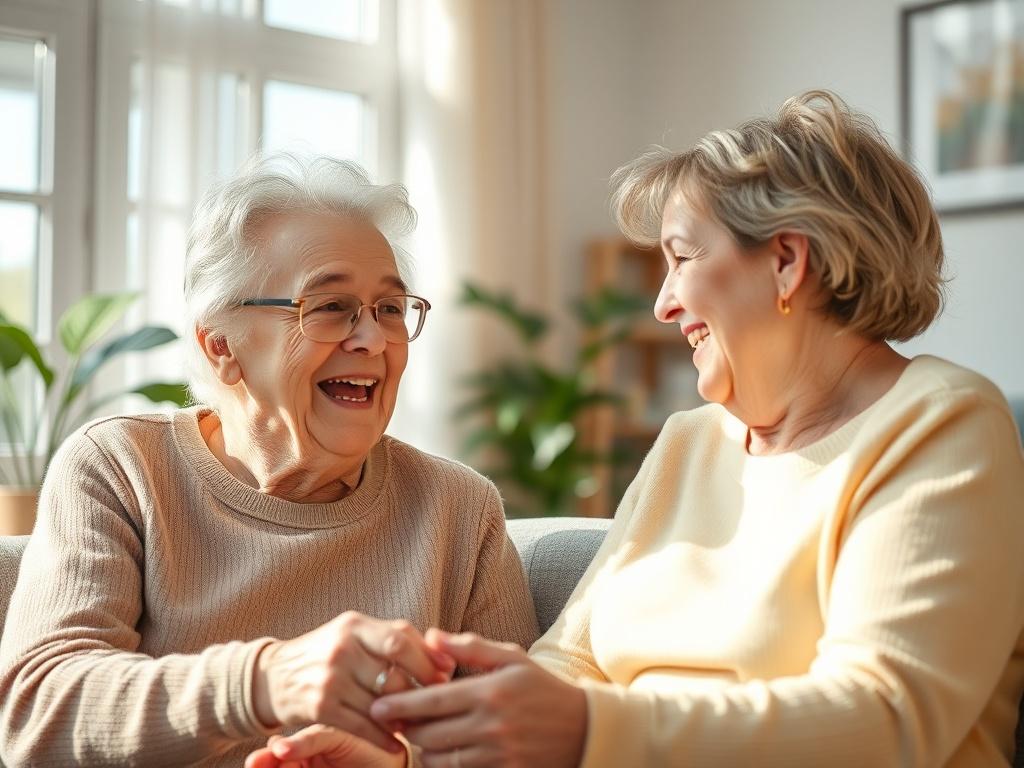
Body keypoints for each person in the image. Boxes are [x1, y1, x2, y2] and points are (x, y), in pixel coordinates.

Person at [248, 91, 1024, 767]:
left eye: (682, 258)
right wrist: (413, 757)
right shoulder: (693, 441)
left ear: (786, 262)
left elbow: (887, 721)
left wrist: (591, 732)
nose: (662, 304)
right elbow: (571, 661)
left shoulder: (941, 425)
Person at [0, 153, 539, 766]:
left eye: (390, 309)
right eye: (330, 307)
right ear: (221, 344)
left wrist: (399, 765)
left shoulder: (458, 508)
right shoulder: (121, 469)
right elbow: (36, 721)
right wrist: (264, 682)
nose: (372, 339)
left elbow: (518, 743)